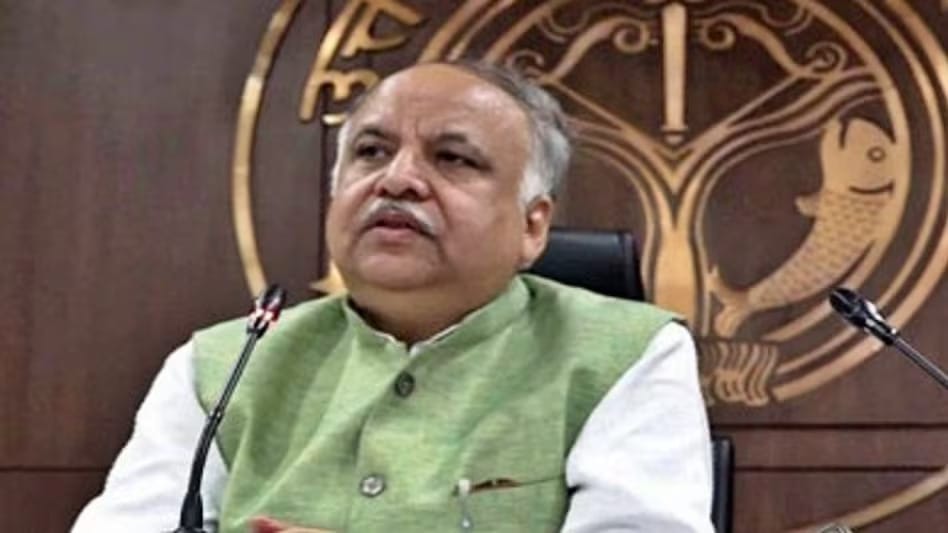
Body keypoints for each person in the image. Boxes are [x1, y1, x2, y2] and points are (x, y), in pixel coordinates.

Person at [73, 61, 713, 533]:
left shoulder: (629, 356)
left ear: (532, 225)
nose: (398, 179)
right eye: (372, 152)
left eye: (453, 158)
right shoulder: (224, 365)